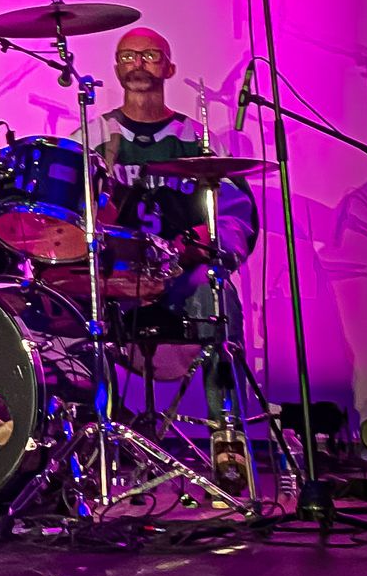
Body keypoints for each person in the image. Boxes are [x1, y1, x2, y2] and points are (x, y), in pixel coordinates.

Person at [95, 28, 256, 490]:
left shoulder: (197, 140)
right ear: (117, 68)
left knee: (215, 292)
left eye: (150, 55)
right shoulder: (93, 135)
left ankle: (227, 442)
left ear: (169, 68)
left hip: (182, 278)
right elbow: (73, 217)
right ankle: (95, 444)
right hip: (118, 280)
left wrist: (201, 246)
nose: (138, 63)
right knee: (67, 302)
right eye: (128, 55)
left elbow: (235, 217)